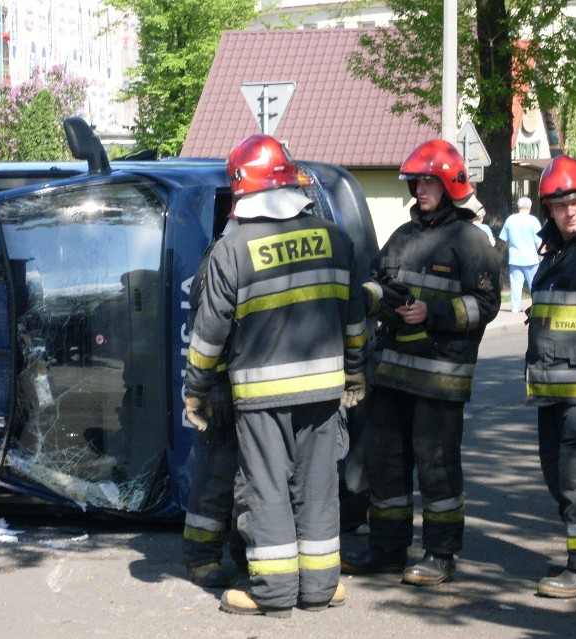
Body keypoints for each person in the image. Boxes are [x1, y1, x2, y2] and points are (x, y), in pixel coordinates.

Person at [185, 134, 368, 616]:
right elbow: (354, 320)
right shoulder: (335, 238)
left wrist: (196, 391)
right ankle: (320, 587)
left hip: (262, 397)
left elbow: (207, 337)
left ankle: (273, 592)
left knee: (265, 489)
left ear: (243, 189)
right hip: (325, 390)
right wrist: (354, 374)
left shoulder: (233, 250)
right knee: (318, 487)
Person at [341, 139, 501, 586]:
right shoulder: (403, 236)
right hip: (391, 373)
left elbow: (486, 303)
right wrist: (364, 300)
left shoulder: (470, 241)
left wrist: (435, 314)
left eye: (430, 180)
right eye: (417, 180)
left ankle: (440, 552)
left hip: (440, 378)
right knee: (385, 462)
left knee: (437, 466)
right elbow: (379, 281)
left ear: (449, 184)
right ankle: (388, 547)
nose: (422, 188)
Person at [526, 155, 576, 599]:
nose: (571, 211)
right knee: (557, 477)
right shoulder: (557, 251)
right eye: (561, 204)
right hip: (553, 389)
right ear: (548, 208)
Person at [182, 219, 247, 588]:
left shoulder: (251, 245)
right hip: (225, 388)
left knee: (252, 477)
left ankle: (243, 550)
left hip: (254, 387)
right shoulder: (220, 256)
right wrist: (215, 385)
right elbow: (207, 328)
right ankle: (201, 556)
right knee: (216, 475)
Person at [499, 196, 542, 312]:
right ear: (530, 207)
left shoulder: (510, 220)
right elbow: (538, 242)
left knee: (515, 283)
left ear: (518, 207)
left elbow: (506, 240)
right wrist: (542, 256)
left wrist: (512, 249)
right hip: (531, 259)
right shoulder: (533, 220)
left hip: (515, 257)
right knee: (534, 283)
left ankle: (515, 306)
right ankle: (536, 304)